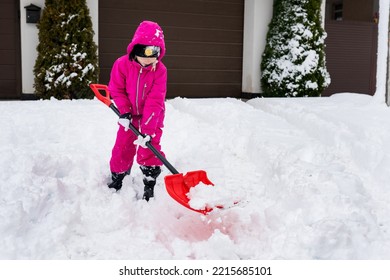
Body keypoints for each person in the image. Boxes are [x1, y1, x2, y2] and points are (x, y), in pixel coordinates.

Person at [107, 20, 167, 201]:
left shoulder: (160, 70)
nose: (151, 58)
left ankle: (149, 183)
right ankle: (119, 177)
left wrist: (147, 131)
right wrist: (124, 110)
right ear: (136, 49)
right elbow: (116, 89)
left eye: (156, 53)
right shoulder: (122, 65)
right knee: (123, 146)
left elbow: (155, 100)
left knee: (149, 147)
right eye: (147, 52)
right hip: (129, 115)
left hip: (152, 116)